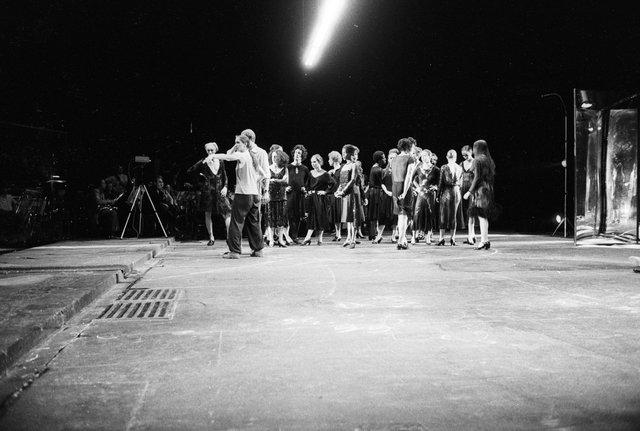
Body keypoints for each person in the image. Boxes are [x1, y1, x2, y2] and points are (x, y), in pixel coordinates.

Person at [209, 134, 264, 258]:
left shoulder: (242, 155)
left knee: (236, 222)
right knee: (254, 223)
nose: (236, 144)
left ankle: (234, 251)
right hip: (254, 194)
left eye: (238, 142)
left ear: (245, 144)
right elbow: (264, 174)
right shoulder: (251, 156)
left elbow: (227, 156)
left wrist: (213, 155)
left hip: (243, 194)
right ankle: (258, 250)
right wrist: (253, 182)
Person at [187, 142, 231, 246]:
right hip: (208, 192)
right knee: (208, 213)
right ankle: (211, 237)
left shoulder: (220, 160)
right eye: (208, 150)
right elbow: (190, 171)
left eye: (212, 150)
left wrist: (225, 186)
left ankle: (229, 236)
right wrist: (202, 165)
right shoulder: (204, 161)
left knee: (227, 212)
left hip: (220, 191)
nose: (210, 152)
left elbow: (225, 175)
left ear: (215, 150)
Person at [464, 139, 495, 250]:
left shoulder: (477, 160)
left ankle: (483, 240)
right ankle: (485, 240)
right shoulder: (489, 160)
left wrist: (469, 191)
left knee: (481, 216)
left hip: (480, 190)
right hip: (488, 189)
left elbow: (477, 177)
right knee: (483, 216)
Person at [302, 154, 335, 245]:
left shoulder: (325, 174)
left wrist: (325, 192)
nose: (313, 164)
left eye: (315, 162)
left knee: (320, 218)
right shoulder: (311, 173)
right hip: (312, 199)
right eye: (312, 162)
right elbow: (307, 185)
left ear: (319, 162)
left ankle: (318, 239)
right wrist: (307, 191)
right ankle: (309, 238)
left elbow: (333, 184)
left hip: (320, 199)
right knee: (311, 217)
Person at [334, 144, 363, 248]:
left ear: (350, 154)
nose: (343, 154)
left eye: (345, 152)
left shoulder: (354, 165)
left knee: (353, 217)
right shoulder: (343, 166)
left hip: (352, 193)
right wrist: (338, 190)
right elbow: (341, 182)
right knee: (348, 217)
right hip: (346, 194)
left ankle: (353, 239)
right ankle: (348, 238)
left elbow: (353, 180)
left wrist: (343, 191)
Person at [390, 138, 416, 249]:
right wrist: (405, 192)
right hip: (403, 186)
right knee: (404, 216)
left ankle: (403, 239)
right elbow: (408, 176)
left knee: (401, 216)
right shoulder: (410, 158)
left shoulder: (394, 159)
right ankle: (400, 240)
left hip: (395, 186)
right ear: (409, 147)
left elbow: (393, 175)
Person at [412, 150, 440, 244]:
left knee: (429, 213)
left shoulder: (436, 169)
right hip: (421, 194)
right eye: (422, 156)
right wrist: (417, 188)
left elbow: (439, 182)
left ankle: (428, 236)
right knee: (417, 213)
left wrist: (435, 187)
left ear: (430, 156)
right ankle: (414, 236)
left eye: (426, 155)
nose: (424, 157)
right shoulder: (418, 168)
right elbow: (413, 180)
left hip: (430, 194)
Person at [437, 149, 463, 246]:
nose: (451, 159)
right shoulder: (447, 167)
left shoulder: (448, 167)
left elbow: (440, 183)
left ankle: (446, 238)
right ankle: (447, 238)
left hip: (451, 191)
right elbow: (460, 183)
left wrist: (439, 194)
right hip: (452, 191)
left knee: (449, 215)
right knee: (448, 215)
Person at [285, 145, 310, 244]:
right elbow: (283, 179)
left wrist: (306, 189)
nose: (297, 154)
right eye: (296, 153)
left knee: (297, 215)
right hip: (289, 194)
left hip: (300, 195)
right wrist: (285, 187)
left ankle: (294, 236)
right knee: (287, 215)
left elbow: (309, 182)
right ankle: (286, 236)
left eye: (299, 153)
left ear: (302, 155)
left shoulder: (304, 168)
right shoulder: (288, 167)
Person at [266, 148, 289, 247]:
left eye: (276, 156)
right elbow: (266, 181)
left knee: (281, 219)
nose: (274, 158)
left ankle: (280, 239)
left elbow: (286, 181)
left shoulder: (285, 168)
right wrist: (276, 180)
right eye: (273, 156)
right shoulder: (268, 167)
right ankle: (271, 239)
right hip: (271, 196)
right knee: (270, 218)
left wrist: (273, 180)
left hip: (281, 196)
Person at [368, 151, 387, 243]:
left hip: (373, 193)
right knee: (380, 214)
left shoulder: (373, 168)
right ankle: (377, 235)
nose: (385, 159)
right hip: (378, 193)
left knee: (374, 215)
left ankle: (374, 234)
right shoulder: (379, 170)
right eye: (383, 158)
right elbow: (383, 183)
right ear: (379, 159)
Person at [459, 144, 476, 244]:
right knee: (466, 213)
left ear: (471, 152)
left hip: (471, 189)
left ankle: (470, 236)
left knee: (471, 213)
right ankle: (472, 235)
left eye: (466, 155)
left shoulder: (475, 162)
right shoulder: (461, 163)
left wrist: (471, 191)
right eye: (463, 155)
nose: (465, 157)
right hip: (463, 189)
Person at [327, 150, 343, 241]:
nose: (328, 161)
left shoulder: (341, 170)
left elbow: (341, 182)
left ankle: (339, 234)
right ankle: (337, 234)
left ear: (333, 160)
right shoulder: (332, 171)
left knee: (338, 215)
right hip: (333, 194)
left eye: (329, 159)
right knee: (335, 215)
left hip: (339, 195)